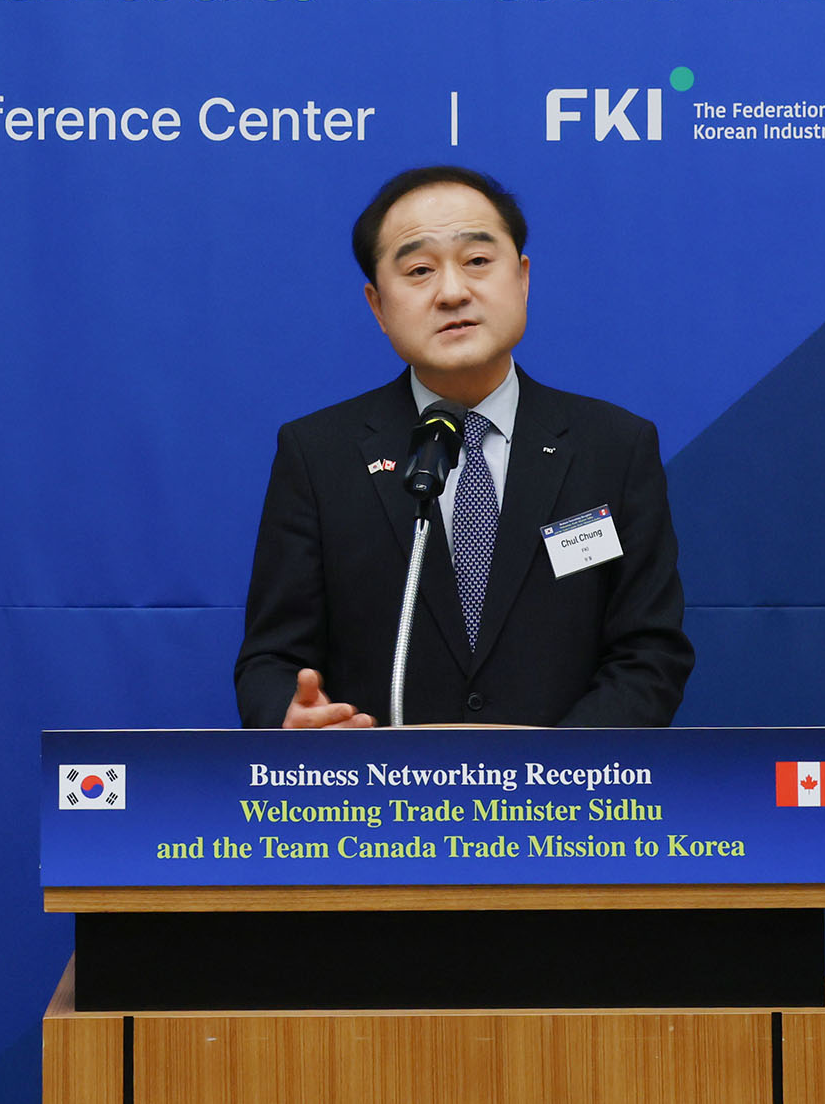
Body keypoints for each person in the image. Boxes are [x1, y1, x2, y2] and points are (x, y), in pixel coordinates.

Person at [235, 165, 694, 729]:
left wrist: (558, 765)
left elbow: (649, 654)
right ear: (378, 306)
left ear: (522, 278)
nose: (453, 292)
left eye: (477, 261)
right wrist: (287, 716)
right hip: (381, 783)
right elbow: (272, 660)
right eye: (419, 270)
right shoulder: (318, 454)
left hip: (566, 782)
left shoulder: (614, 446)